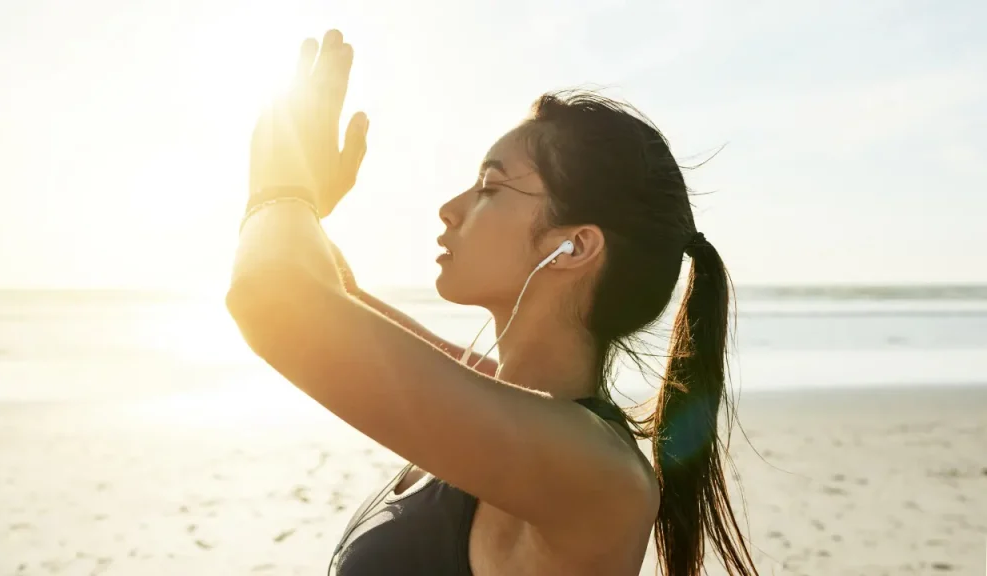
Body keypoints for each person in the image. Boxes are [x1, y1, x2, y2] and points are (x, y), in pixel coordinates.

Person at [228, 29, 759, 576]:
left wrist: (278, 190)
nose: (449, 209)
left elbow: (271, 297)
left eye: (489, 187)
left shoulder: (597, 475)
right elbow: (333, 297)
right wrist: (304, 202)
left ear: (573, 246)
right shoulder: (497, 398)